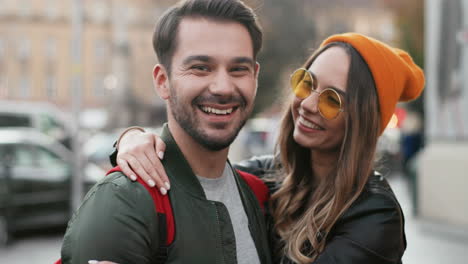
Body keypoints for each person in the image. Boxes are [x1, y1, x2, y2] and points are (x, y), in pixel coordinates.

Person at [113, 33, 425, 263]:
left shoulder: (375, 215)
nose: (309, 104)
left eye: (332, 100)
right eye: (307, 83)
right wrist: (133, 139)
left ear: (363, 121)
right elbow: (186, 178)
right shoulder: (267, 176)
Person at [59, 0, 273, 264]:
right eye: (201, 68)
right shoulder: (124, 200)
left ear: (255, 77)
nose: (223, 88)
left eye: (239, 69)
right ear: (163, 82)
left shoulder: (258, 194)